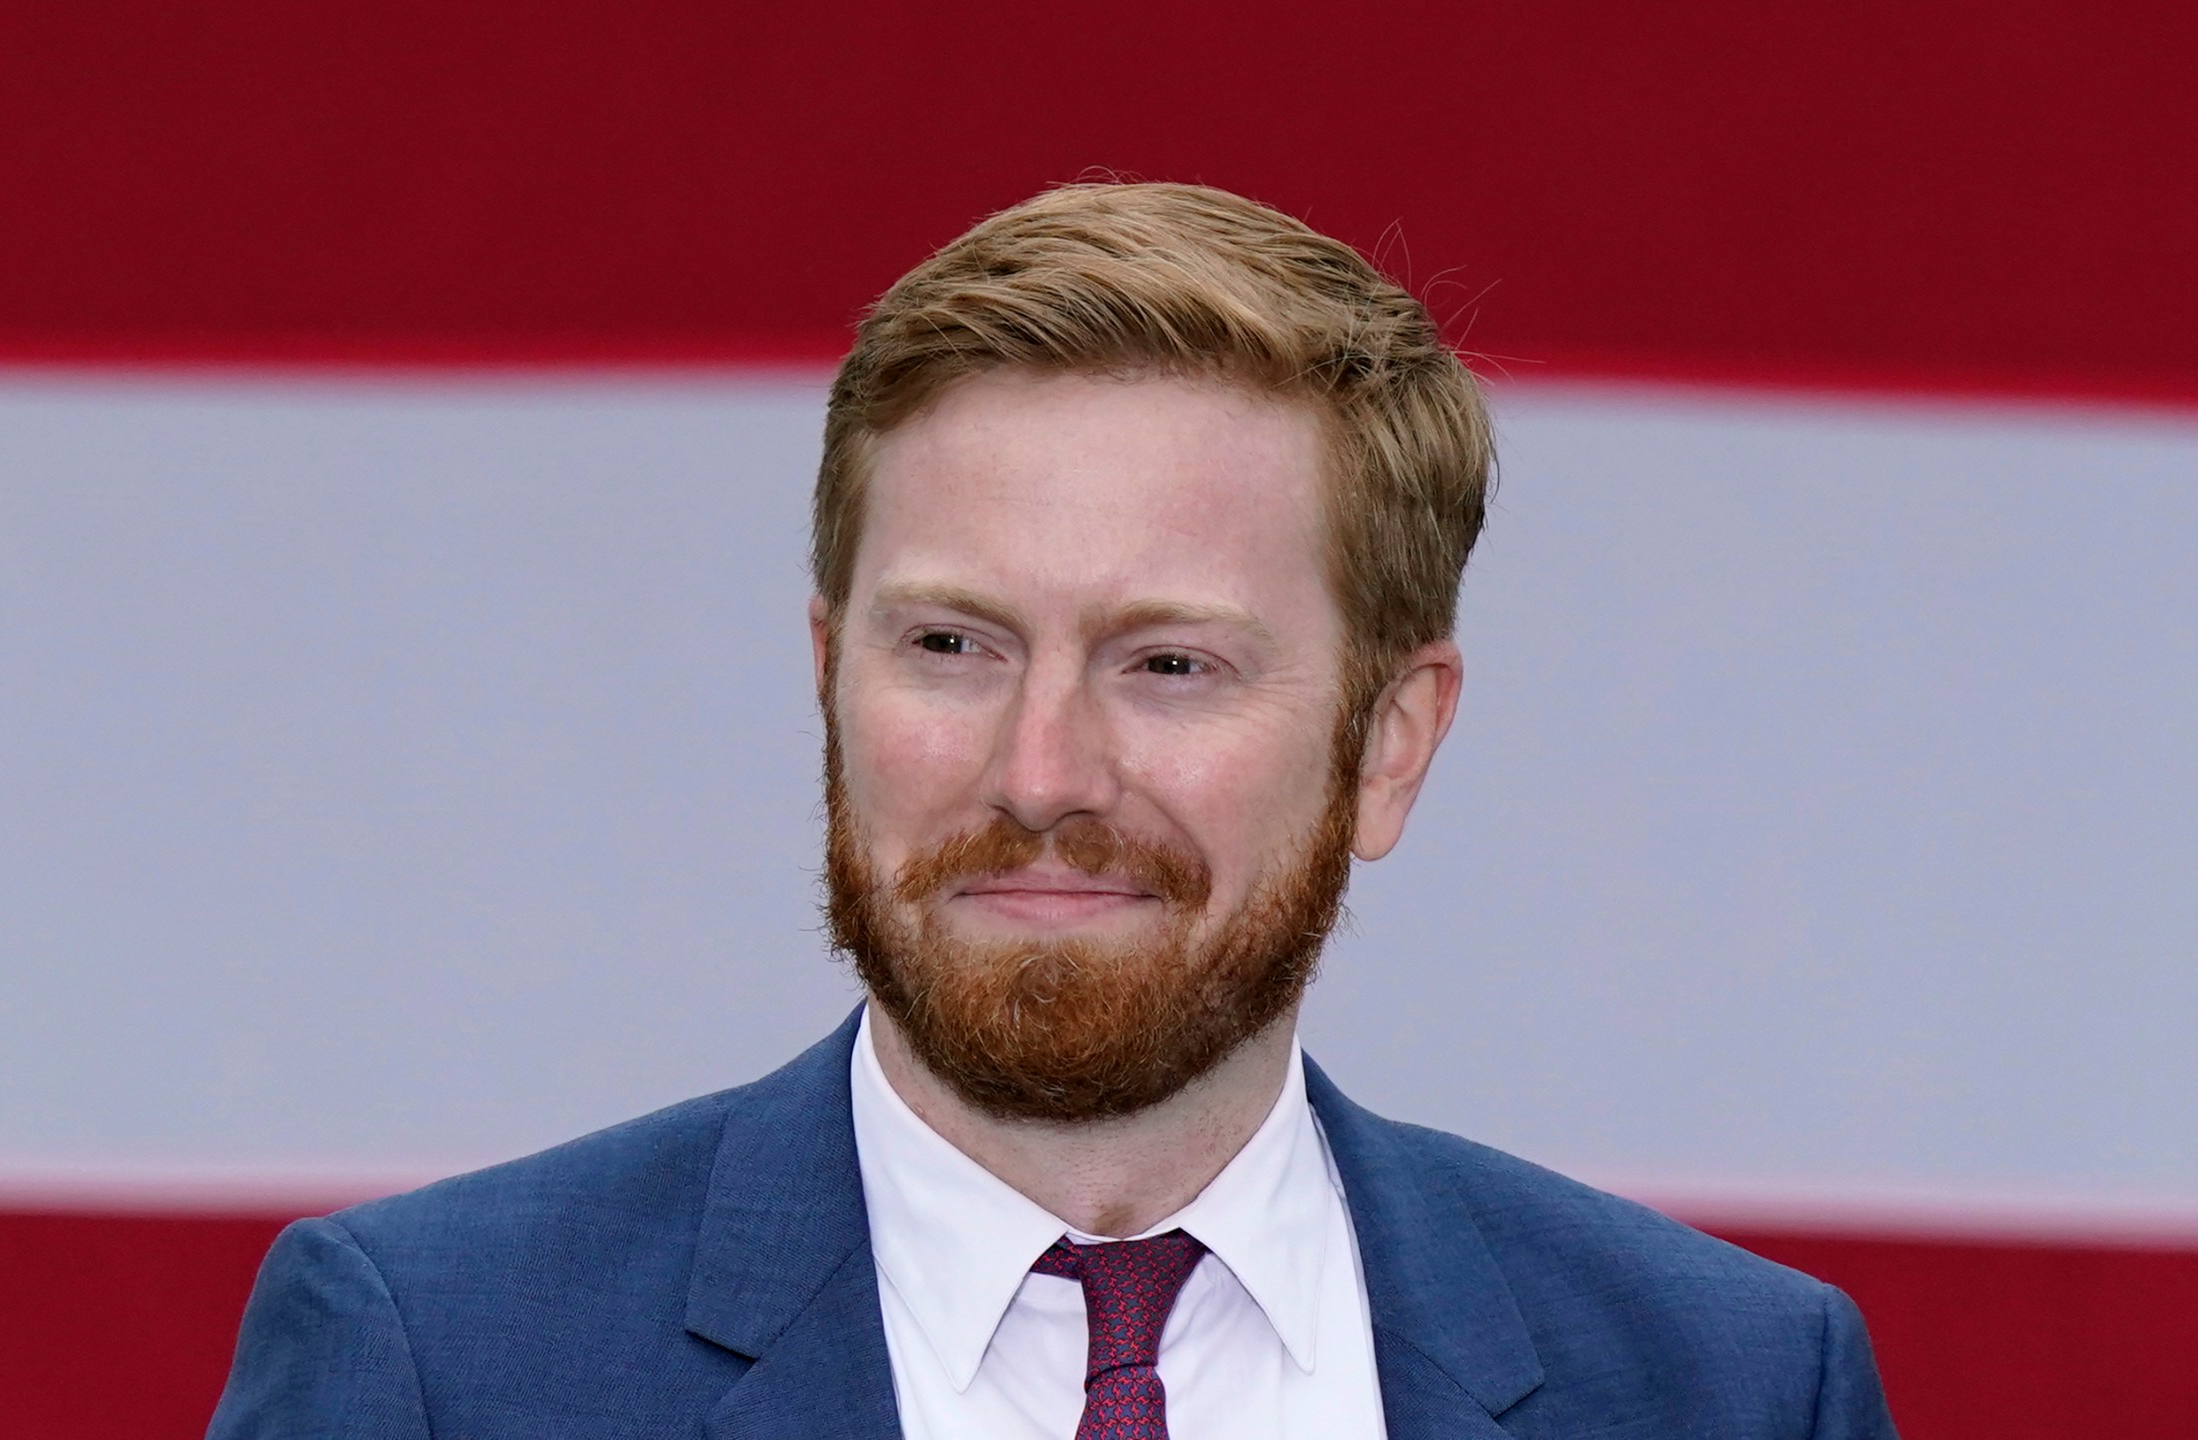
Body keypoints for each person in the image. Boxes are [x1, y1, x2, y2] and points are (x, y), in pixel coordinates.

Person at [206, 182, 1896, 1439]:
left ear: (1392, 741)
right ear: (826, 677)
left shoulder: (1730, 1390)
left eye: (1167, 666)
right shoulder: (433, 1363)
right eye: (952, 645)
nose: (1039, 776)